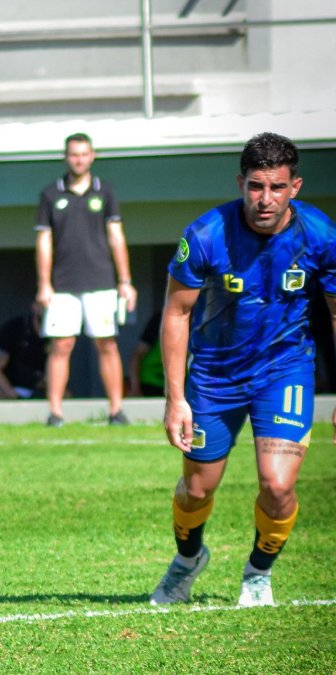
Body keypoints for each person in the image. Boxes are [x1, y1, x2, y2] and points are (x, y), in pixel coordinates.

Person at [150, 132, 336, 608]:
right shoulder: (207, 234)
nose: (265, 199)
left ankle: (257, 574)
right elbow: (176, 313)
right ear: (241, 183)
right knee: (196, 490)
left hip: (285, 371)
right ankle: (187, 561)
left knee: (278, 485)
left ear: (295, 186)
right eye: (255, 186)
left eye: (276, 187)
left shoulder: (320, 235)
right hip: (213, 376)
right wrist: (176, 399)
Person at [35, 132, 136, 427]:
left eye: (83, 154)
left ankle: (116, 411)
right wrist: (44, 283)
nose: (78, 159)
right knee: (61, 345)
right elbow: (44, 241)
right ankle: (55, 413)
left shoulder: (105, 191)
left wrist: (125, 280)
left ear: (92, 156)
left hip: (102, 282)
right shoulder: (50, 194)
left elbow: (116, 237)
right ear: (66, 157)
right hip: (62, 285)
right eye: (73, 154)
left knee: (107, 344)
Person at [0, 302, 48, 400]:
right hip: (5, 389)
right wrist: (15, 397)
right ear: (35, 306)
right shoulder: (13, 328)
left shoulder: (56, 334)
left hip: (34, 391)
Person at [127, 309, 164, 397]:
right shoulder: (159, 321)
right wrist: (135, 388)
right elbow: (137, 355)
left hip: (182, 384)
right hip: (150, 383)